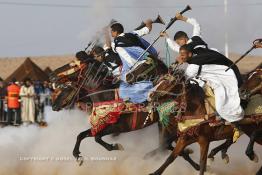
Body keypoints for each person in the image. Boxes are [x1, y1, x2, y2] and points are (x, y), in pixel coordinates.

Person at [176, 45, 244, 142]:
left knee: (221, 107)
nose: (180, 56)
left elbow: (183, 80)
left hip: (220, 82)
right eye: (180, 54)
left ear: (190, 54)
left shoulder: (192, 67)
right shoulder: (197, 56)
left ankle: (237, 124)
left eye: (183, 55)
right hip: (211, 81)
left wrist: (179, 64)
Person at [106, 20, 157, 103]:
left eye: (111, 32)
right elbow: (148, 29)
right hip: (147, 61)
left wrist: (105, 33)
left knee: (123, 90)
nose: (111, 34)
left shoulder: (115, 43)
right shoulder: (132, 34)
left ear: (115, 32)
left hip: (134, 68)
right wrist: (149, 22)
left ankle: (146, 97)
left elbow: (108, 46)